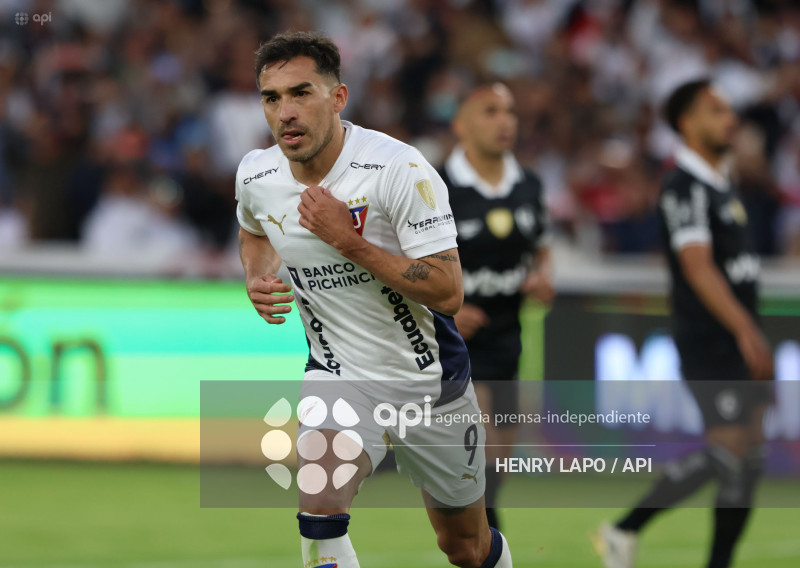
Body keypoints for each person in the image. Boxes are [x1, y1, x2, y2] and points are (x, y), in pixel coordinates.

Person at [235, 32, 513, 568]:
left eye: (301, 93)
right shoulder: (257, 174)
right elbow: (254, 229)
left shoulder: (397, 170)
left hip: (429, 383)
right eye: (272, 98)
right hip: (338, 374)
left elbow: (448, 290)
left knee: (465, 546)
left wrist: (350, 241)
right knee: (319, 512)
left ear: (338, 97)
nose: (285, 112)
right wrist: (257, 275)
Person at [594, 79, 773, 568]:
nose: (730, 119)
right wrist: (744, 328)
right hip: (710, 339)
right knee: (729, 451)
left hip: (737, 336)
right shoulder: (684, 186)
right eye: (716, 110)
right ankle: (624, 529)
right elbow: (697, 266)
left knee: (751, 457)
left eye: (729, 109)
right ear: (688, 123)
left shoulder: (721, 184)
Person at [441, 83, 553, 531]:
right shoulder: (437, 186)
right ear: (461, 124)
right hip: (454, 341)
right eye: (490, 111)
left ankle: (475, 536)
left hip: (508, 335)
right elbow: (406, 263)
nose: (504, 121)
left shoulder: (528, 184)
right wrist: (446, 310)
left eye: (509, 111)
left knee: (499, 461)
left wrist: (542, 277)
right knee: (483, 454)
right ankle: (490, 548)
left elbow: (541, 248)